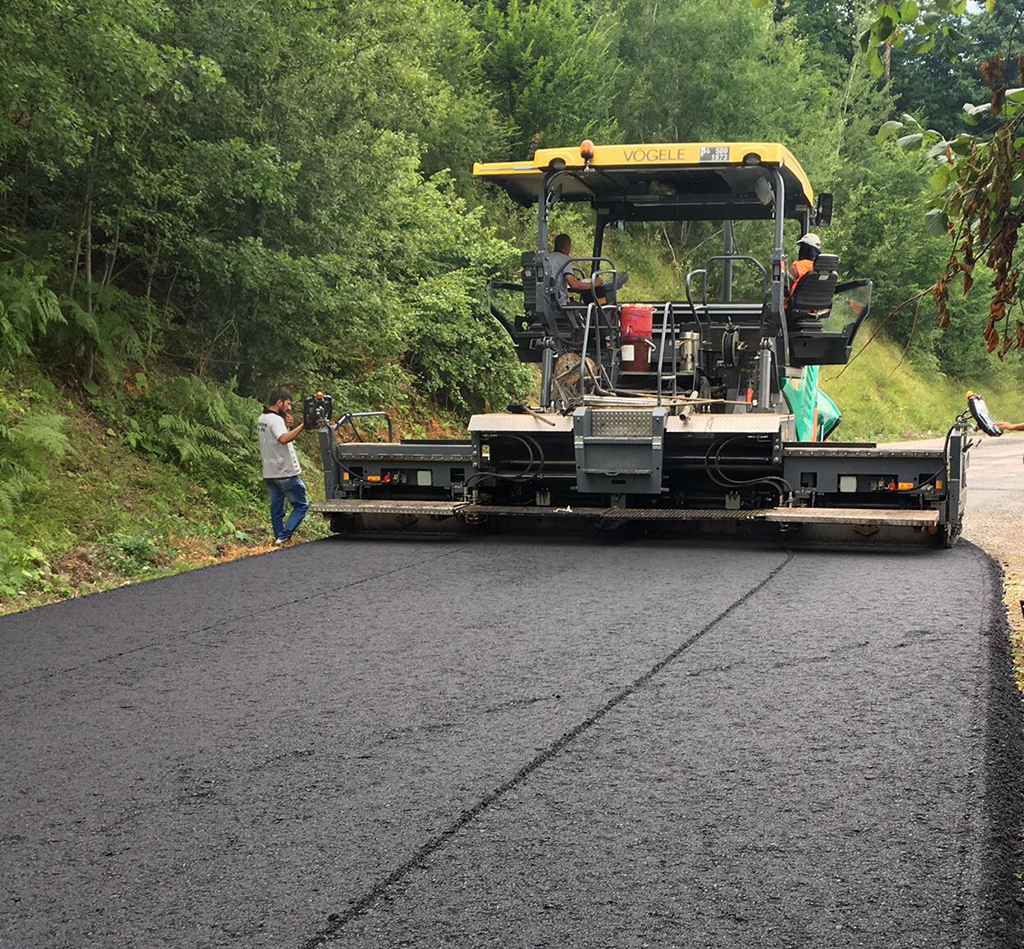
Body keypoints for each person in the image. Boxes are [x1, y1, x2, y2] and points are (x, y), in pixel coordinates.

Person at [258, 387, 309, 546]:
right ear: (279, 402)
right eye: (287, 404)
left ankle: (278, 538)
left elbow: (276, 439)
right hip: (285, 472)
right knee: (301, 505)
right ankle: (285, 536)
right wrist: (302, 426)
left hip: (270, 472)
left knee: (276, 509)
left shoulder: (262, 419)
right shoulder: (275, 420)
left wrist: (286, 426)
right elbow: (283, 439)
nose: (289, 408)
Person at [549, 233, 601, 306]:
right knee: (590, 310)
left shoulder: (547, 259)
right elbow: (573, 284)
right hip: (560, 304)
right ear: (567, 247)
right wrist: (593, 284)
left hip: (548, 302)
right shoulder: (564, 259)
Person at [787, 232, 822, 301]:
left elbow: (783, 288)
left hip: (793, 307)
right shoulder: (824, 268)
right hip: (818, 308)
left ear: (805, 249)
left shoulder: (798, 267)